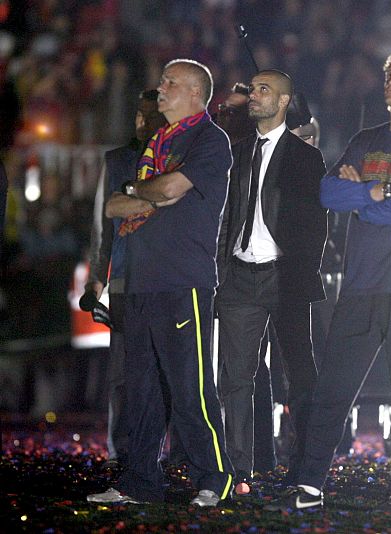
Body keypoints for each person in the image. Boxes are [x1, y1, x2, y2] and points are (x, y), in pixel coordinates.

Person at [269, 45, 391, 514]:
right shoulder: (364, 139)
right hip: (361, 284)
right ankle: (310, 485)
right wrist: (380, 189)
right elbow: (329, 194)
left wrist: (363, 195)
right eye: (390, 74)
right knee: (334, 389)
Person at [87, 58, 234, 507]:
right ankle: (139, 481)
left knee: (190, 387)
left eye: (171, 82)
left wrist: (138, 192)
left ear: (195, 93)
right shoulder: (157, 140)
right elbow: (115, 206)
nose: (161, 87)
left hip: (182, 280)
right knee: (143, 390)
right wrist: (142, 194)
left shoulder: (210, 139)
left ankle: (215, 478)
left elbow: (167, 191)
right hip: (141, 282)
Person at [215, 69, 327, 494]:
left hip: (285, 277)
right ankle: (239, 471)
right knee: (236, 378)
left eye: (264, 90)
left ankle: (304, 468)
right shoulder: (236, 151)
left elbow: (316, 226)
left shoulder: (304, 157)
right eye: (254, 89)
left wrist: (299, 275)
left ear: (283, 101)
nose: (254, 96)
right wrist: (223, 272)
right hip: (240, 275)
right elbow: (227, 219)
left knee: (299, 377)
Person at [86, 89, 166, 466]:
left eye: (149, 115)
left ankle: (164, 449)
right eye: (138, 114)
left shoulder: (174, 157)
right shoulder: (117, 160)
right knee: (121, 373)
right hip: (122, 275)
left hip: (164, 275)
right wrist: (95, 278)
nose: (141, 122)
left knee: (167, 369)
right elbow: (103, 225)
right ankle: (121, 450)